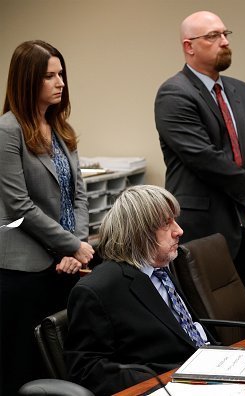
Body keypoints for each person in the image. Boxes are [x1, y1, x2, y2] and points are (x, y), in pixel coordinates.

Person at [155, 11, 245, 322]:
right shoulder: (174, 94)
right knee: (214, 324)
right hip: (206, 229)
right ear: (189, 46)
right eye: (212, 36)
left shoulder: (244, 92)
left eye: (225, 34)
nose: (224, 42)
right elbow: (206, 159)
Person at [0, 40, 94, 395]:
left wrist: (76, 248)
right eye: (50, 76)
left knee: (60, 367)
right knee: (22, 371)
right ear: (27, 81)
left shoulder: (60, 128)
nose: (60, 83)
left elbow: (79, 195)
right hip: (23, 273)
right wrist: (69, 245)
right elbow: (18, 208)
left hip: (66, 265)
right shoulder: (7, 131)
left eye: (61, 75)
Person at [64, 185, 214, 395]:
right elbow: (86, 370)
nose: (179, 230)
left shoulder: (161, 268)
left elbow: (184, 331)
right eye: (166, 223)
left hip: (208, 369)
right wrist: (160, 381)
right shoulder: (97, 290)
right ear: (139, 232)